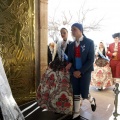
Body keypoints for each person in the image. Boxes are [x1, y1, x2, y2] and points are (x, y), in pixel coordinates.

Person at [37, 28, 73, 115]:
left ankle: (66, 107)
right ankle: (56, 105)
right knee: (55, 85)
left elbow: (72, 56)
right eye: (61, 33)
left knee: (65, 87)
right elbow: (56, 55)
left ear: (68, 33)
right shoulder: (59, 43)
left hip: (67, 66)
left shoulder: (71, 43)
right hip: (58, 64)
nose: (62, 34)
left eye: (64, 33)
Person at [66, 23, 96, 119]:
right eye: (71, 30)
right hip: (74, 72)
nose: (72, 31)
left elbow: (91, 60)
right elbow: (69, 60)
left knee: (84, 93)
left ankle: (92, 100)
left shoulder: (89, 42)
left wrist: (81, 71)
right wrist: (73, 71)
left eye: (74, 29)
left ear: (80, 30)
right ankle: (76, 112)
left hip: (85, 71)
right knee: (76, 92)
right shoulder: (70, 45)